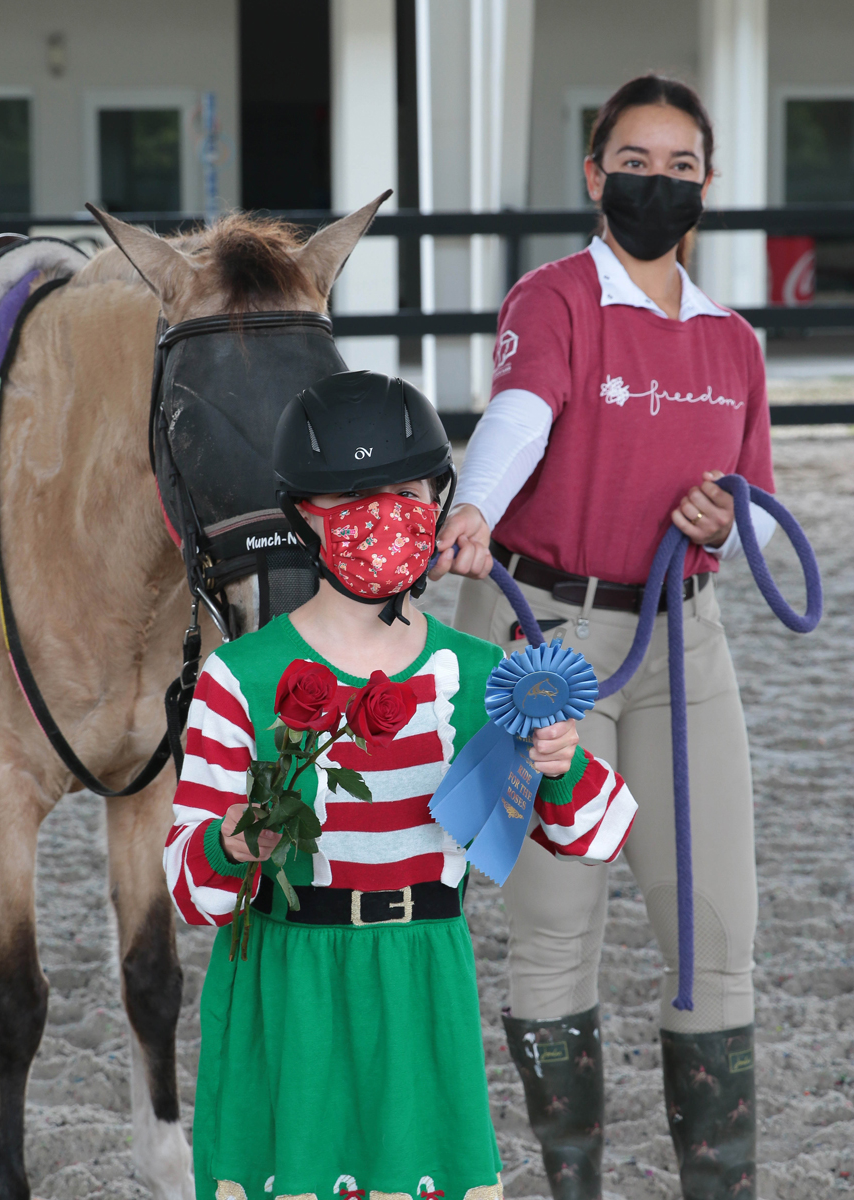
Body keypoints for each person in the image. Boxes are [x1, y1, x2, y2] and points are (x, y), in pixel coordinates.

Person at [163, 370, 631, 1199]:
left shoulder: (481, 674)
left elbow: (598, 835)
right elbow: (189, 892)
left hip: (423, 982)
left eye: (406, 494)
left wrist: (562, 763)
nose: (381, 515)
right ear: (301, 514)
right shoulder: (239, 676)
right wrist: (230, 844)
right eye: (350, 498)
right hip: (286, 984)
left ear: (439, 500)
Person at [430, 76, 773, 1200]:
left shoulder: (732, 342)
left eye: (679, 166)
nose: (656, 182)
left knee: (715, 933)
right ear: (593, 174)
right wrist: (473, 506)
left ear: (706, 184)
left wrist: (716, 520)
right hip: (545, 640)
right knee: (553, 925)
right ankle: (571, 1185)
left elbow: (750, 502)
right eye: (634, 161)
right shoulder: (555, 300)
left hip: (684, 641)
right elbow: (521, 413)